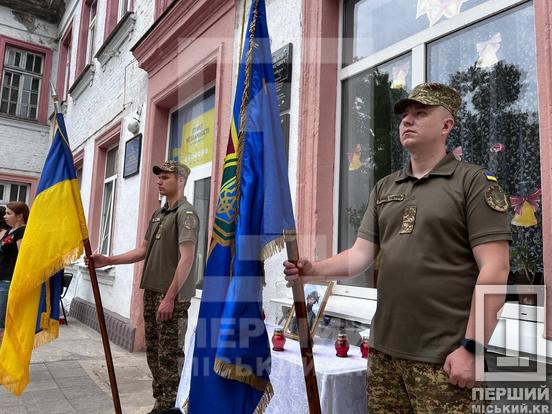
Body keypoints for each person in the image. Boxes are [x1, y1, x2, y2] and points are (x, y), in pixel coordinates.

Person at [284, 83, 511, 413]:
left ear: (447, 125)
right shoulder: (385, 187)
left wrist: (473, 348)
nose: (407, 121)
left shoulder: (473, 183)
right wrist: (313, 271)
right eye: (405, 115)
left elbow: (496, 268)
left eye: (421, 114)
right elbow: (359, 256)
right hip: (384, 354)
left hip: (445, 359)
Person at [86, 160, 199, 414]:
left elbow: (187, 258)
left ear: (180, 180)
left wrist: (170, 298)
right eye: (158, 177)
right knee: (154, 354)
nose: (159, 181)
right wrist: (108, 259)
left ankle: (171, 409)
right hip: (151, 293)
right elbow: (143, 250)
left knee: (169, 356)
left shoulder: (186, 214)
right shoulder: (159, 214)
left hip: (171, 296)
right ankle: (160, 404)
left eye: (165, 177)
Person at [0, 202, 29, 337]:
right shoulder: (9, 232)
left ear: (20, 216)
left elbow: (22, 259)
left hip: (8, 281)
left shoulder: (22, 231)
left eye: (8, 213)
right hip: (2, 279)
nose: (5, 216)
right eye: (5, 213)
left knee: (2, 322)